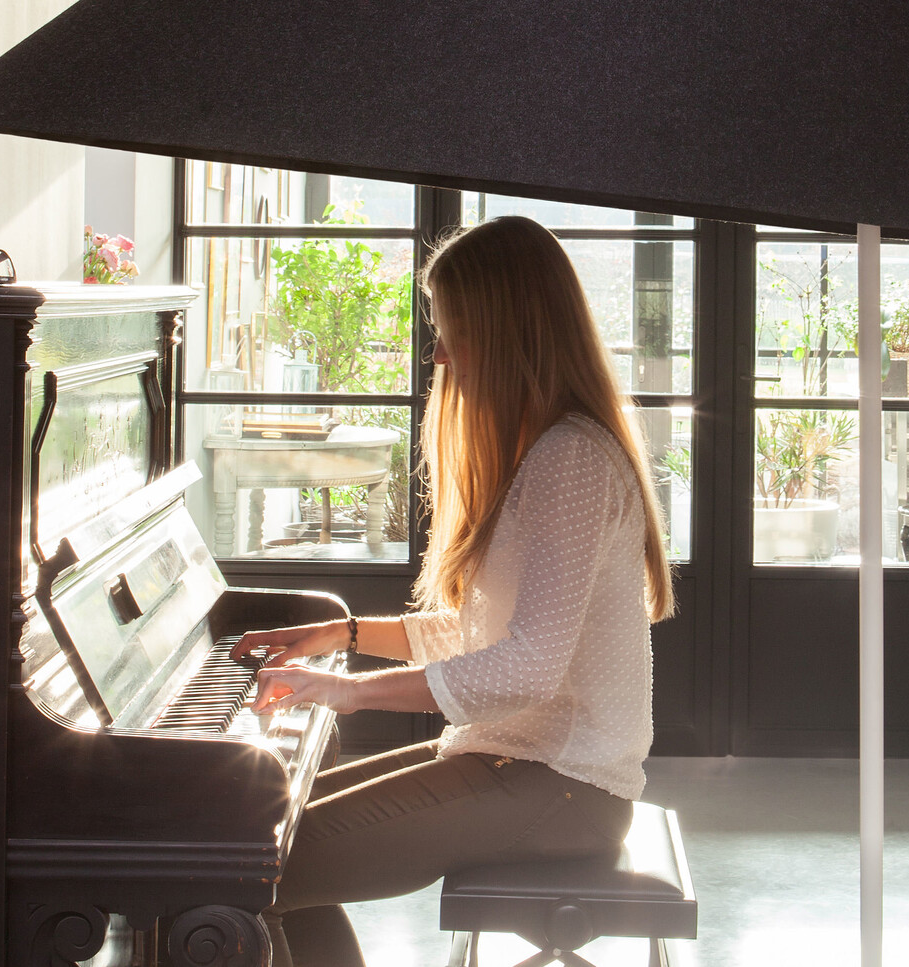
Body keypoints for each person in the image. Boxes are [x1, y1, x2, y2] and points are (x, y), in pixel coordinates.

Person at [229, 214, 676, 967]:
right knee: (260, 839)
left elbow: (525, 668)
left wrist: (344, 693)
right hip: (518, 764)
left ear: (509, 334)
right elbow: (485, 634)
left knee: (247, 867)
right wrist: (341, 638)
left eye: (452, 330)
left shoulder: (571, 458)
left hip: (564, 790)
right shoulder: (548, 449)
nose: (437, 354)